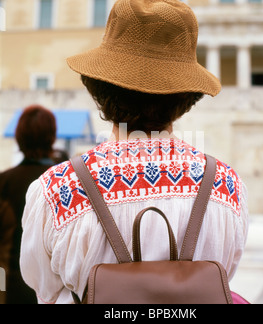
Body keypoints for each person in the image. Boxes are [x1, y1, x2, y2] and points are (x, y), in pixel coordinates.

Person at [20, 0, 249, 304]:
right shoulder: (226, 185)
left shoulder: (56, 189)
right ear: (186, 96)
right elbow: (223, 278)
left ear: (99, 86)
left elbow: (45, 290)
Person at [0, 105, 57, 304]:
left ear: (19, 137)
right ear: (51, 137)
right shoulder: (65, 181)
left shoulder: (3, 182)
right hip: (56, 291)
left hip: (10, 289)